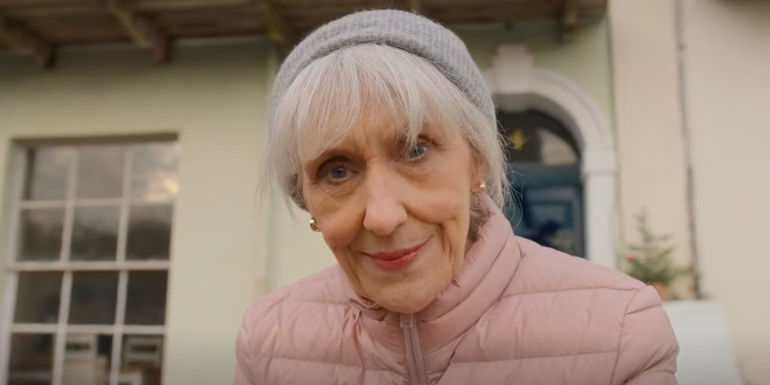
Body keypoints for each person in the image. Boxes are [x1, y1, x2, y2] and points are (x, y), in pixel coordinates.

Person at [236, 9, 678, 385]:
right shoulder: (269, 343)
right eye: (336, 171)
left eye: (415, 149)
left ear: (478, 161)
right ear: (307, 200)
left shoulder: (619, 332)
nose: (384, 217)